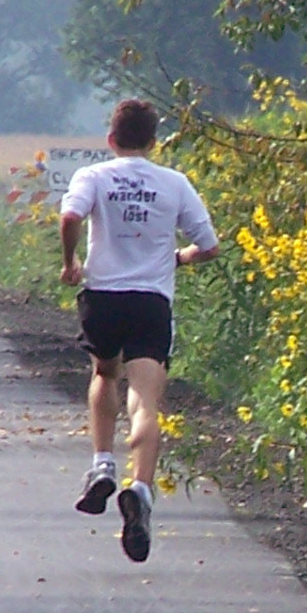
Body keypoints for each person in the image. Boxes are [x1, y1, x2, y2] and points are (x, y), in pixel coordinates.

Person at [60, 98, 219, 563]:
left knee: (104, 375)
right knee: (146, 399)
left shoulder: (93, 176)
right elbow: (208, 246)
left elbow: (70, 217)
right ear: (153, 142)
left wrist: (71, 262)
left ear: (111, 140)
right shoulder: (174, 183)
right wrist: (179, 257)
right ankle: (141, 491)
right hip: (150, 301)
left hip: (103, 296)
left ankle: (101, 465)